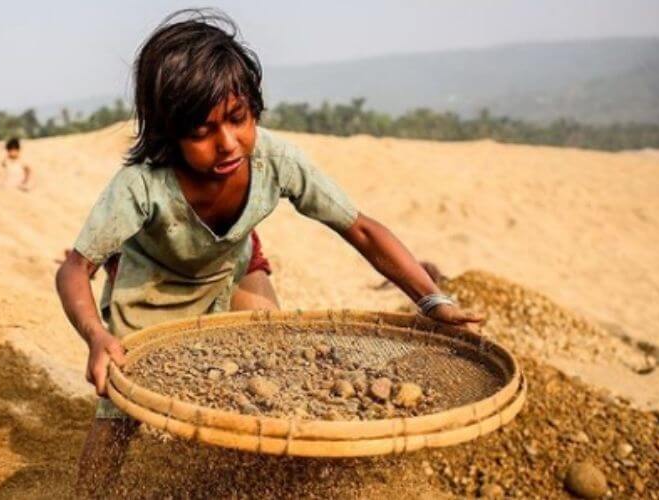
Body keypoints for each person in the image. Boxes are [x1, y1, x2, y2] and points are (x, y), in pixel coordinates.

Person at [54, 9, 483, 496]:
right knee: (119, 411)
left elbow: (360, 229)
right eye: (201, 132)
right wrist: (94, 336)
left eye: (239, 119)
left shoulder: (276, 161)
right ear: (168, 133)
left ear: (254, 107)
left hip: (232, 272)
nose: (227, 143)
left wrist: (432, 300)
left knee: (272, 366)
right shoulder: (140, 186)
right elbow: (75, 269)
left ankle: (252, 483)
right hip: (152, 291)